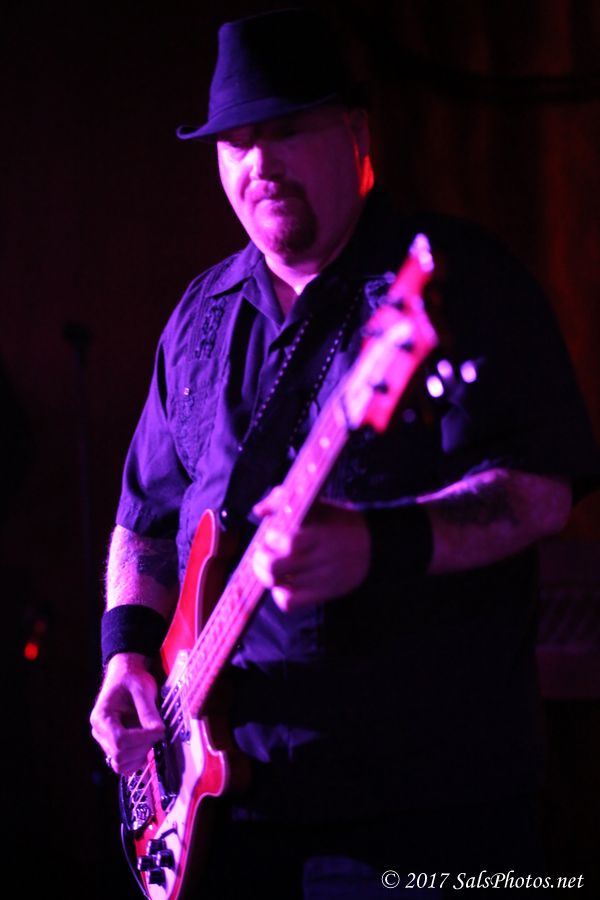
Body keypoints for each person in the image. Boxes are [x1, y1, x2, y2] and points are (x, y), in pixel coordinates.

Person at [90, 9, 599, 898]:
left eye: (286, 129)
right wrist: (127, 653)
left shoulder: (454, 282)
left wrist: (380, 545)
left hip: (426, 812)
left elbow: (540, 487)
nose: (258, 164)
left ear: (357, 133)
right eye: (236, 143)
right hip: (227, 818)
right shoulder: (199, 314)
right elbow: (145, 518)